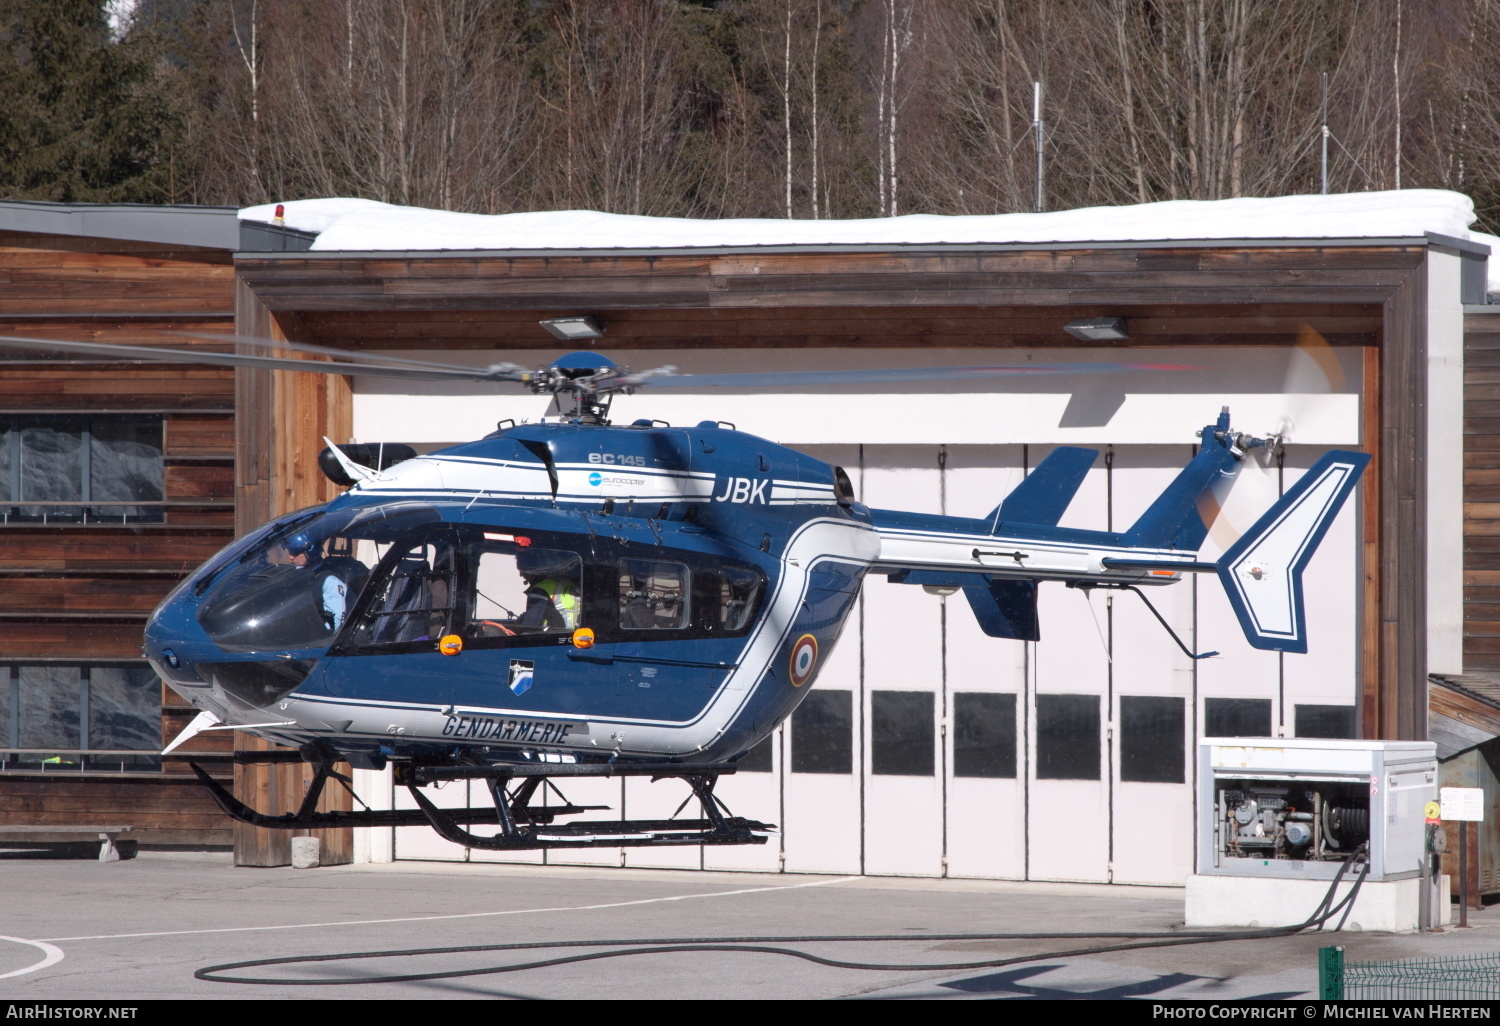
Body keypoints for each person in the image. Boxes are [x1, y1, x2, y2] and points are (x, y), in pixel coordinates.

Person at [279, 532, 348, 632]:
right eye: (290, 551)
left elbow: (336, 622)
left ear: (311, 552)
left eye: (295, 552)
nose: (291, 557)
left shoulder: (329, 581)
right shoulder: (297, 574)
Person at [516, 549, 579, 631]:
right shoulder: (567, 583)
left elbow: (530, 627)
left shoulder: (541, 589)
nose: (521, 575)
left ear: (532, 571)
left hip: (553, 638)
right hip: (572, 635)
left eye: (522, 570)